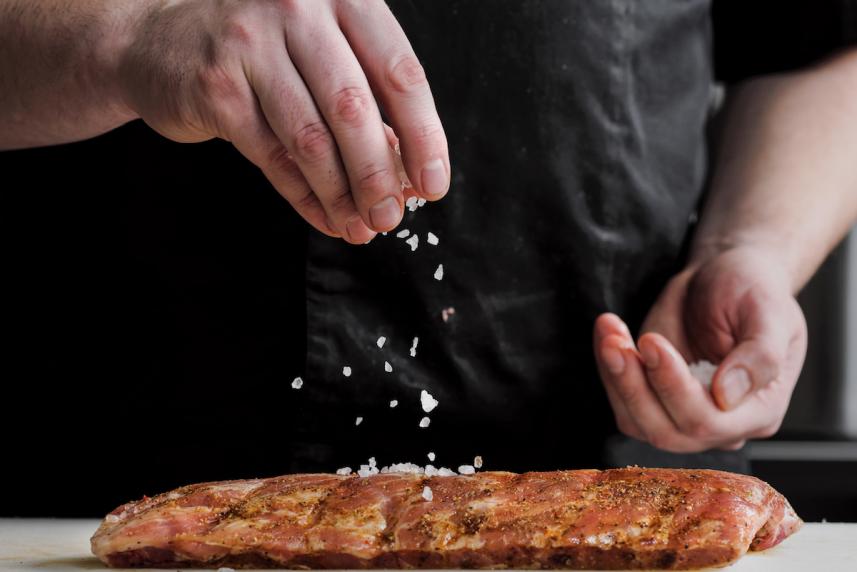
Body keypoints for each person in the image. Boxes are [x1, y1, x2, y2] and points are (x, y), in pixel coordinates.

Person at [2, 0, 856, 489]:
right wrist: (128, 34)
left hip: (590, 483)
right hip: (76, 476)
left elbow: (820, 43)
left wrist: (751, 243)